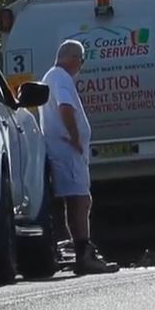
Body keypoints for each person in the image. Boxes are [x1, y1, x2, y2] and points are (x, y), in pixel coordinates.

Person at [40, 40, 119, 275]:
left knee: (77, 201)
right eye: (81, 60)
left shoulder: (52, 77)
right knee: (80, 200)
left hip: (63, 151)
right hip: (67, 151)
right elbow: (65, 107)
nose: (81, 66)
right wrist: (75, 137)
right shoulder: (61, 77)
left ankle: (81, 251)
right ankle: (84, 252)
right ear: (73, 57)